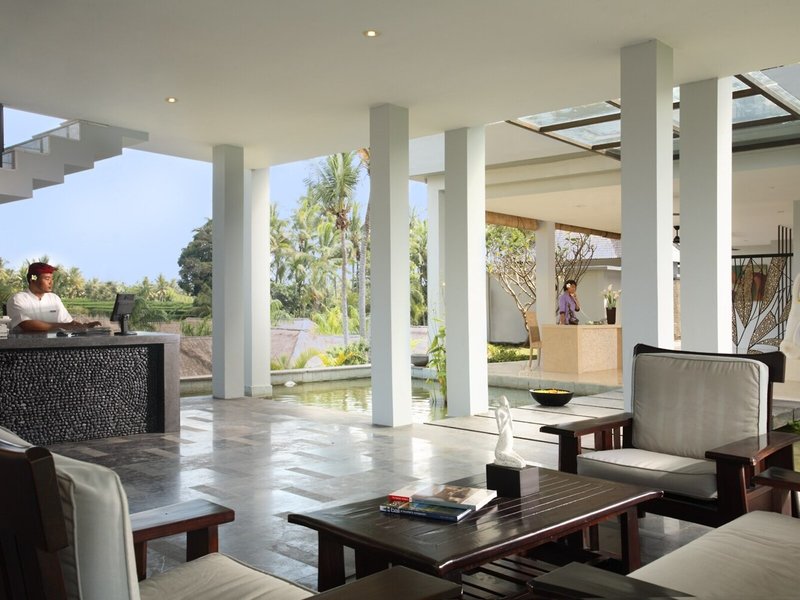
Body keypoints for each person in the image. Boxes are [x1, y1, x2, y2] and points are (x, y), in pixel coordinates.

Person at [6, 262, 101, 333]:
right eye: (47, 279)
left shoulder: (54, 298)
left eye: (52, 279)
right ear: (33, 279)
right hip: (25, 347)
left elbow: (68, 322)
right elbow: (26, 324)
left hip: (54, 344)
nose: (51, 282)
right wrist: (64, 326)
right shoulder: (18, 299)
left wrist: (84, 326)